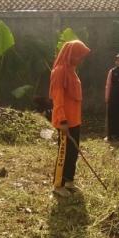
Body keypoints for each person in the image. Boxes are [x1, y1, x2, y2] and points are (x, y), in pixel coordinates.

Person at [49, 40, 91, 197]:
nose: (81, 60)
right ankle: (58, 185)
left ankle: (69, 181)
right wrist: (62, 121)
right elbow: (57, 98)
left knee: (73, 152)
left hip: (75, 120)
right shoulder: (59, 71)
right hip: (64, 121)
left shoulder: (72, 71)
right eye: (79, 56)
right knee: (64, 153)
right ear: (71, 55)